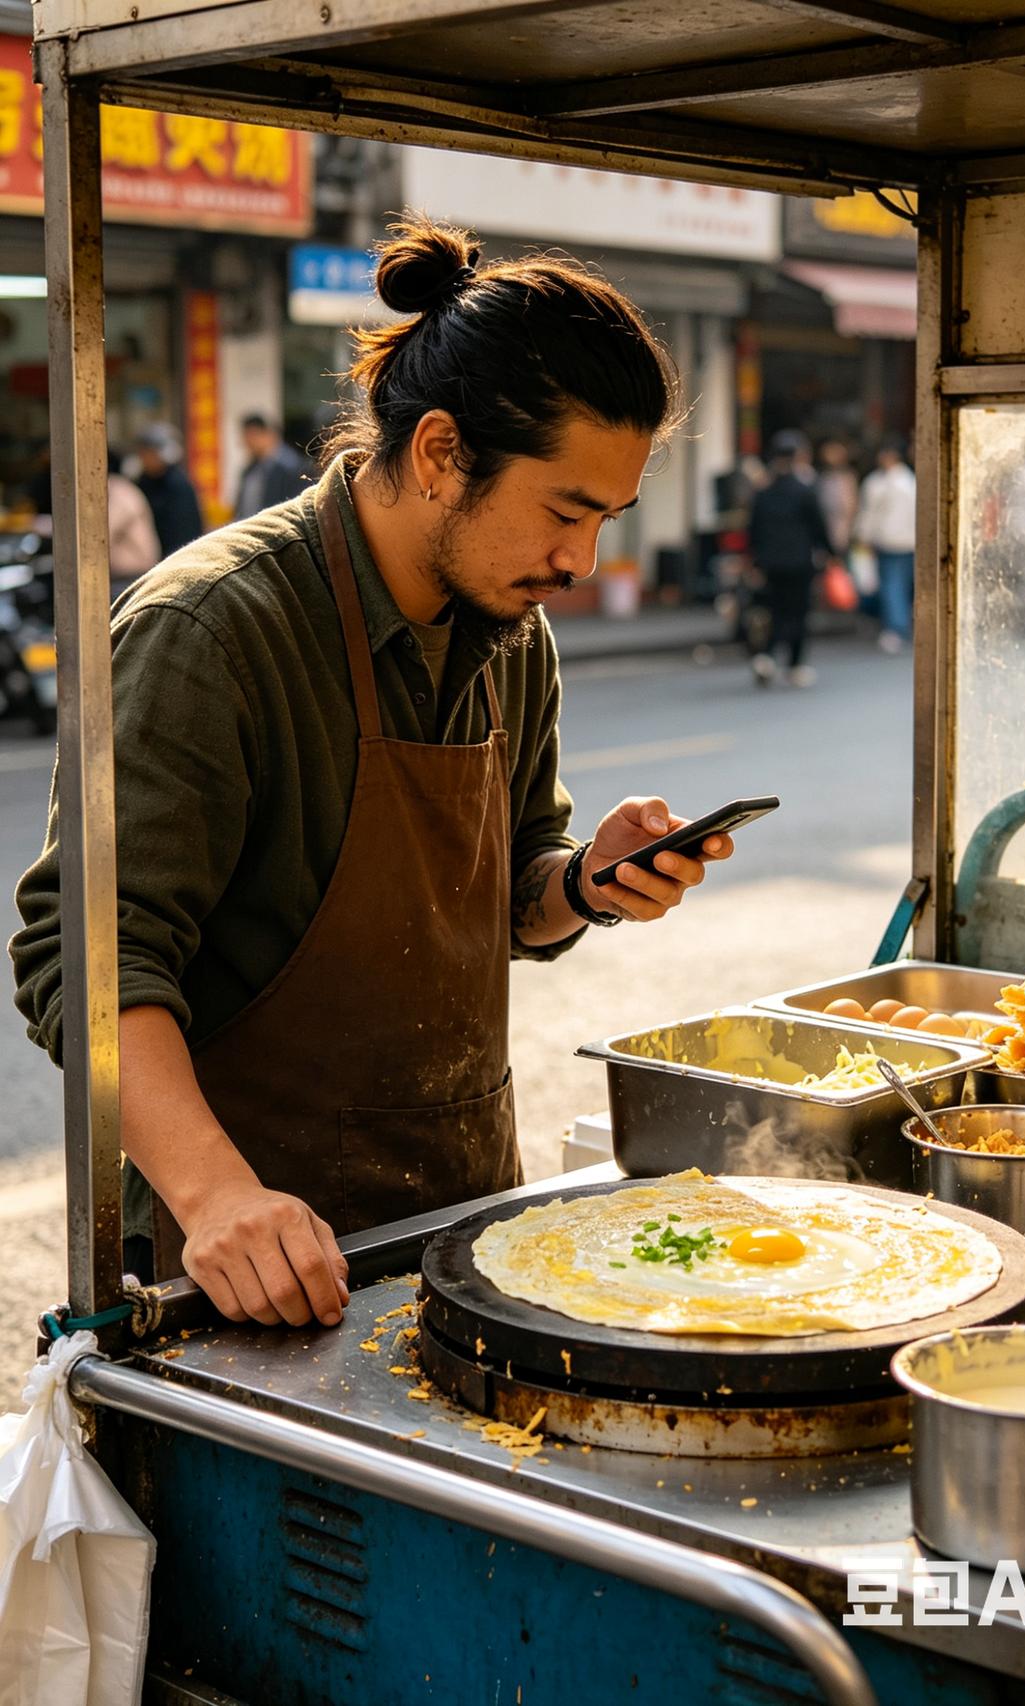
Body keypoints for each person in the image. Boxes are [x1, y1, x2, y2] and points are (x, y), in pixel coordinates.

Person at [10, 216, 736, 1328]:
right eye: (564, 511)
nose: (580, 562)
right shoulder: (210, 629)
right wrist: (217, 1196)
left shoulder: (510, 632)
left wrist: (583, 883)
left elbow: (511, 902)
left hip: (459, 1228)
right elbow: (89, 956)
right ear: (442, 451)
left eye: (608, 520)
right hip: (242, 1269)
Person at [746, 430, 835, 688]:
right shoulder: (805, 491)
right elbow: (819, 528)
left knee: (775, 610)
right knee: (799, 612)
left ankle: (767, 656)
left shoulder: (763, 493)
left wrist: (754, 561)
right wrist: (831, 554)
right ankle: (795, 664)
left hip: (770, 563)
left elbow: (754, 530)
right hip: (800, 562)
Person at [857, 435, 916, 653]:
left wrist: (864, 536)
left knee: (892, 585)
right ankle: (899, 624)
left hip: (888, 541)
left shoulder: (877, 483)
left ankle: (895, 627)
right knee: (900, 585)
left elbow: (869, 515)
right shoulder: (910, 481)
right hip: (909, 541)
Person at [133, 423, 205, 559]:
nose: (144, 458)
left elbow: (185, 531)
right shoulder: (144, 481)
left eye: (148, 453)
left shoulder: (177, 484)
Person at [106, 448, 161, 599]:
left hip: (131, 576)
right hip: (125, 576)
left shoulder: (119, 490)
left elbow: (104, 533)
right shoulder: (119, 488)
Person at [234, 413, 310, 519]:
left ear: (267, 434)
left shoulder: (291, 468)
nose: (247, 442)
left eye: (252, 435)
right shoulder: (249, 471)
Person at [814, 438, 858, 561]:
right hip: (824, 534)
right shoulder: (821, 478)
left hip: (843, 533)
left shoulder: (848, 478)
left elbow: (851, 506)